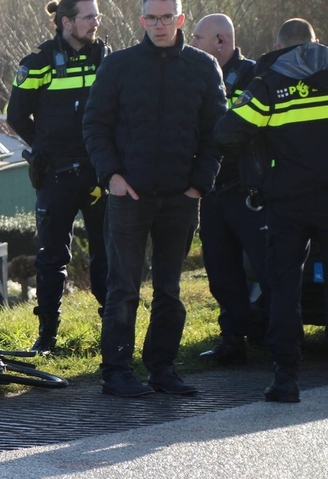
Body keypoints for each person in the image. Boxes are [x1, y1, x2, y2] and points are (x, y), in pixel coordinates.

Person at [83, 0, 226, 397]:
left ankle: (162, 368)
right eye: (152, 18)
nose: (159, 25)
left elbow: (216, 133)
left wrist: (198, 185)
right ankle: (116, 372)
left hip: (181, 196)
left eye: (166, 18)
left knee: (169, 290)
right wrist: (112, 176)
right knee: (123, 287)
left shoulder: (202, 66)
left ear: (180, 20)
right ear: (142, 20)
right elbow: (94, 125)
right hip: (129, 194)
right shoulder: (119, 66)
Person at [214, 19, 328, 403]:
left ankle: (286, 378)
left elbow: (228, 132)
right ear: (315, 42)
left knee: (284, 288)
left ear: (279, 47)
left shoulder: (269, 84)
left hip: (288, 203)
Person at [7, 0, 109, 354]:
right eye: (89, 17)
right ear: (67, 22)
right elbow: (16, 116)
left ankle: (113, 329)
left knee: (106, 254)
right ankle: (47, 335)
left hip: (99, 172)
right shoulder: (39, 61)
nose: (96, 23)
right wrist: (44, 149)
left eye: (97, 16)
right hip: (56, 175)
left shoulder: (106, 58)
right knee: (51, 257)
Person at [190, 14, 269, 366]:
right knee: (221, 271)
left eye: (198, 38)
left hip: (247, 191)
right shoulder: (198, 76)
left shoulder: (254, 76)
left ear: (220, 41)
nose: (192, 43)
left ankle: (277, 339)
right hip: (213, 190)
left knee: (267, 268)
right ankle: (233, 340)